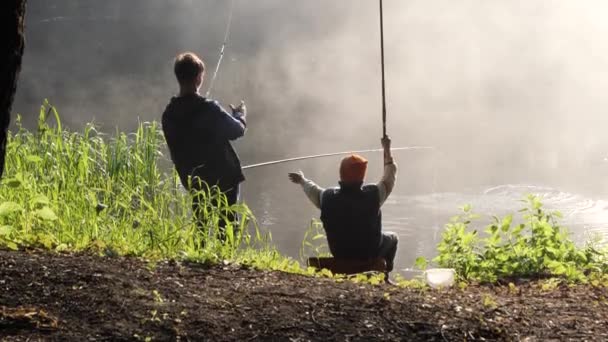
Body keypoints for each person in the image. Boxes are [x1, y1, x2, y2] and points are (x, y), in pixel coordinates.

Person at [288, 136, 398, 281]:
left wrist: (302, 180)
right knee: (393, 238)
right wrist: (387, 149)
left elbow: (312, 190)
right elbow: (389, 177)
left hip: (340, 253)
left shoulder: (327, 197)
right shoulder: (374, 195)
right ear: (362, 177)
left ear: (341, 173)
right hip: (368, 253)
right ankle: (384, 277)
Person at [162, 52, 247, 236]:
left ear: (179, 77)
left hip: (193, 179)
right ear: (199, 78)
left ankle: (199, 257)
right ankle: (224, 260)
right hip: (224, 179)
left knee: (200, 224)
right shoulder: (209, 109)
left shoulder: (169, 114)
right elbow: (237, 131)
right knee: (228, 225)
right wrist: (240, 115)